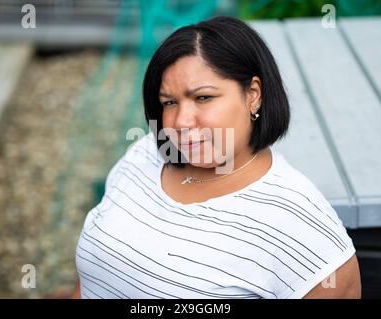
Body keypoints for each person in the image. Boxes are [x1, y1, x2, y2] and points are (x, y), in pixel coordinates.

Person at [75, 16, 361, 299]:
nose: (182, 121)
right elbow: (95, 273)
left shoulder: (303, 225)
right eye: (169, 102)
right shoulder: (145, 154)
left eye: (203, 98)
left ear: (253, 95)